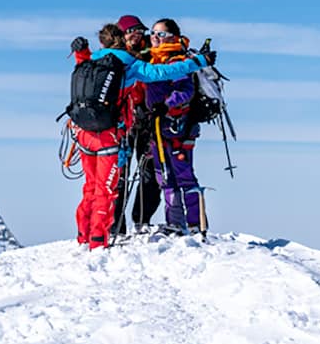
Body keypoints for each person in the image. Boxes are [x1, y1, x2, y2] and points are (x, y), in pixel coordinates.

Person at [70, 23, 215, 249]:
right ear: (121, 40)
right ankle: (98, 241)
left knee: (90, 187)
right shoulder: (128, 63)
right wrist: (199, 62)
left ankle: (83, 236)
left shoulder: (93, 59)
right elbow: (164, 73)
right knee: (105, 190)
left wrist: (81, 52)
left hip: (84, 134)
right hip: (110, 135)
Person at [142, 17, 207, 232]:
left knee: (184, 175)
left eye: (160, 34)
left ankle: (197, 224)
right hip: (158, 128)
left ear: (172, 37)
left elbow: (185, 91)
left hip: (178, 127)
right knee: (165, 177)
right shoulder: (151, 61)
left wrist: (166, 105)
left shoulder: (177, 61)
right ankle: (175, 223)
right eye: (152, 32)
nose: (154, 37)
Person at [111, 13, 161, 235]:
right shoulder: (116, 58)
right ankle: (116, 224)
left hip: (146, 118)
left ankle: (141, 219)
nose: (135, 35)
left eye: (139, 31)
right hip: (124, 120)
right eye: (131, 31)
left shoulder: (151, 55)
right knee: (120, 173)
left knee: (149, 172)